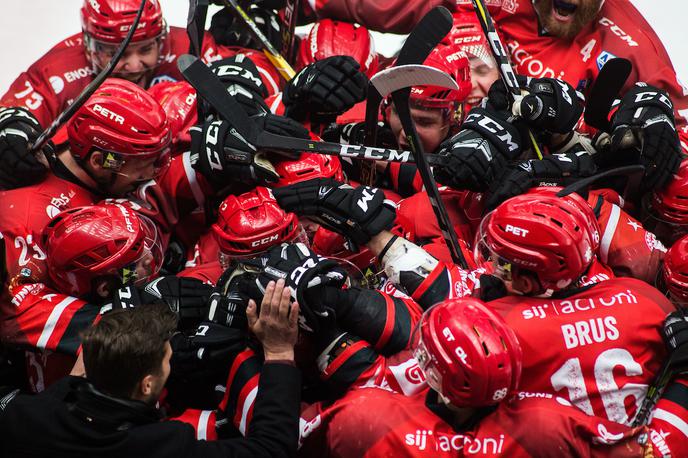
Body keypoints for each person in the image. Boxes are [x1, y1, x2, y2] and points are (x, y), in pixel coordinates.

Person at [298, 296, 685, 457]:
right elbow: (655, 452)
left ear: (429, 371)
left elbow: (270, 439)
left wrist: (280, 352)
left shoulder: (365, 416)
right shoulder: (545, 424)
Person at [0, 280, 302, 458]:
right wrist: (278, 351)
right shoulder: (161, 446)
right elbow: (272, 449)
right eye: (167, 361)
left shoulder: (23, 417)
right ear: (146, 385)